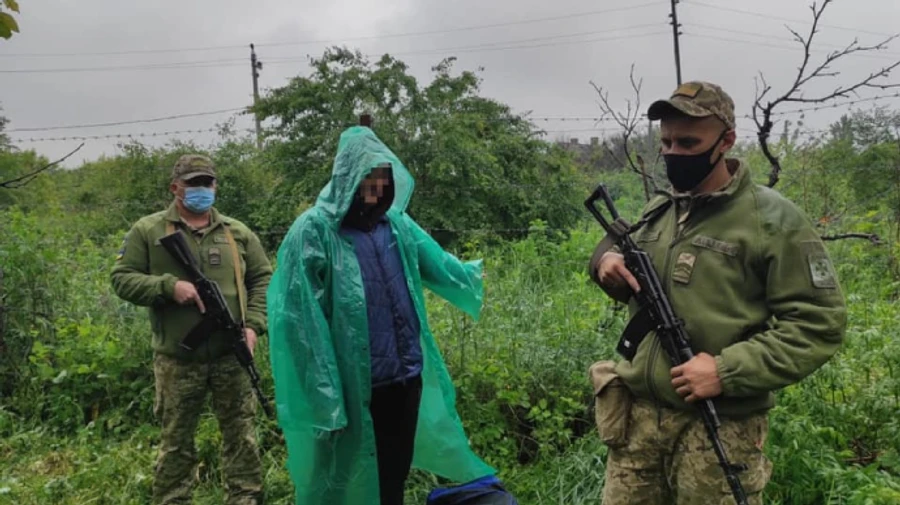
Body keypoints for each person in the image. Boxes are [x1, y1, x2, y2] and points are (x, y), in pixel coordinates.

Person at [588, 81, 847, 504]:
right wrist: (607, 263)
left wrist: (726, 370)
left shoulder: (772, 218)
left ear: (726, 141)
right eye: (667, 142)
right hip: (637, 423)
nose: (674, 153)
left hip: (717, 429)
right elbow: (634, 276)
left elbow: (819, 323)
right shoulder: (661, 209)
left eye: (689, 143)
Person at [266, 125, 495, 505]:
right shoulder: (315, 231)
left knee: (393, 472)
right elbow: (299, 322)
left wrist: (469, 275)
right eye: (368, 177)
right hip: (355, 386)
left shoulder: (397, 224)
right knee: (343, 477)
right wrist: (325, 396)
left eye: (383, 177)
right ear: (347, 177)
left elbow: (436, 261)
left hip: (404, 376)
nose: (376, 186)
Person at [111, 154, 273, 505]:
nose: (202, 189)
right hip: (178, 360)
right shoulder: (149, 230)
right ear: (175, 187)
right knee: (176, 440)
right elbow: (122, 278)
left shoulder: (236, 232)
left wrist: (254, 326)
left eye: (207, 182)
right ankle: (173, 499)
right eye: (193, 183)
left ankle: (245, 497)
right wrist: (169, 287)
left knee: (241, 436)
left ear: (216, 186)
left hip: (231, 354)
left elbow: (262, 279)